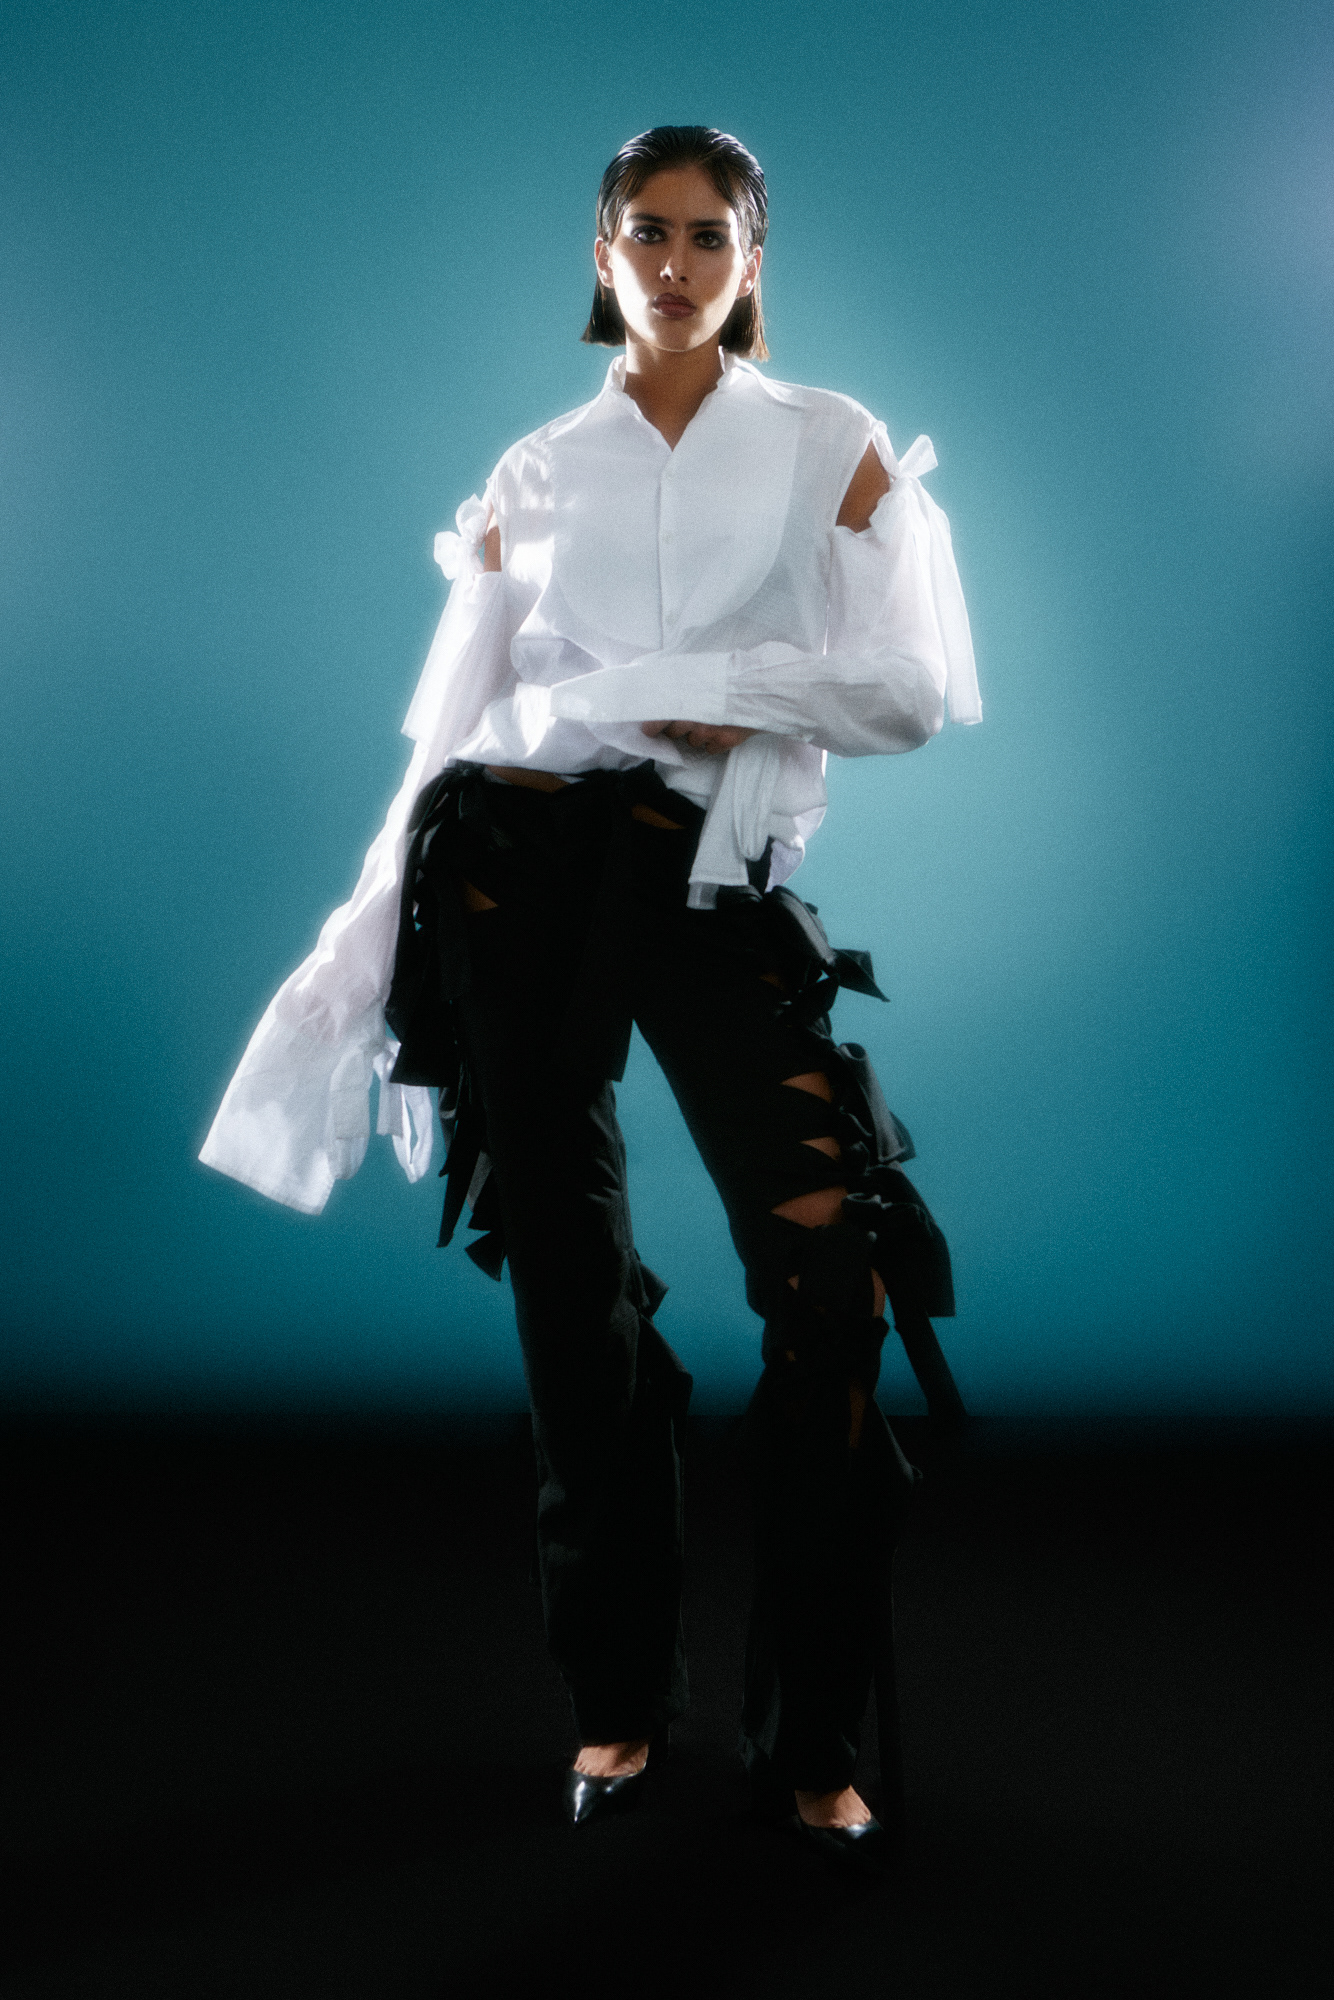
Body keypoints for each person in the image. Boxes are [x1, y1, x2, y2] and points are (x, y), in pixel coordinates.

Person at [200, 126, 979, 1869]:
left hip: (705, 878)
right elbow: (446, 732)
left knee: (827, 1274)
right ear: (602, 250)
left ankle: (812, 1737)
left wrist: (717, 684)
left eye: (708, 234)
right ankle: (616, 1701)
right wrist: (358, 951)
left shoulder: (831, 443)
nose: (675, 263)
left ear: (753, 255)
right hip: (514, 874)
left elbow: (910, 689)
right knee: (569, 1292)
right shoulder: (535, 469)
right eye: (645, 231)